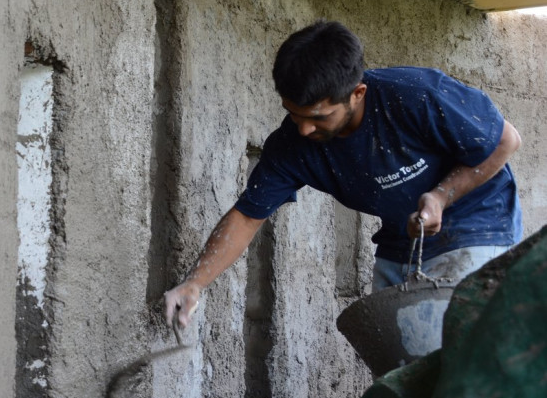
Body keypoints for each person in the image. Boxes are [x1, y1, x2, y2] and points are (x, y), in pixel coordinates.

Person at [164, 20, 523, 330]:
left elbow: (506, 140)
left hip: (479, 225)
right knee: (398, 374)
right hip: (403, 241)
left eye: (319, 117)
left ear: (357, 93)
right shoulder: (292, 145)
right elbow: (247, 215)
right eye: (294, 114)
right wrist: (196, 282)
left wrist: (442, 196)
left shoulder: (417, 95)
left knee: (457, 360)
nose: (304, 129)